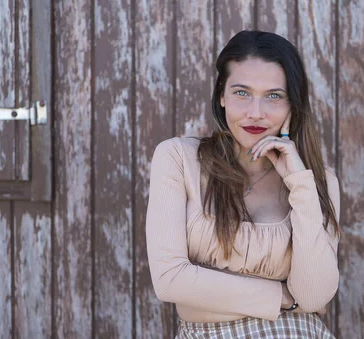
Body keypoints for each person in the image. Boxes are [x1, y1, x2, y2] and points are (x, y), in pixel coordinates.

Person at [146, 30, 341, 338]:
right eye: (242, 92)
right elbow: (170, 279)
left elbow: (314, 296)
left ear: (293, 104)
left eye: (274, 96)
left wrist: (300, 183)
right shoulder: (177, 158)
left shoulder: (317, 180)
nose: (255, 113)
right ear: (221, 95)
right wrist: (283, 298)